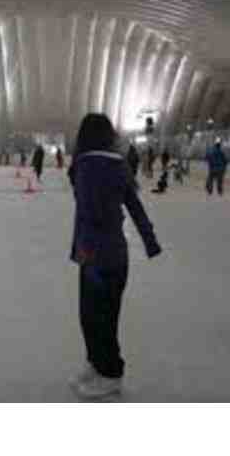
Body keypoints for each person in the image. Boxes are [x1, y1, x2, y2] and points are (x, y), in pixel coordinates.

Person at [67, 113, 162, 399]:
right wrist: (150, 241)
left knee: (94, 318)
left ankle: (110, 374)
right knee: (104, 316)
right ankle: (96, 364)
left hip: (95, 256)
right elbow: (135, 206)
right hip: (116, 256)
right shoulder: (119, 165)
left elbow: (88, 214)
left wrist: (84, 252)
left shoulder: (85, 166)